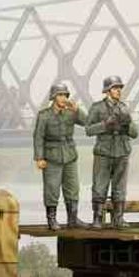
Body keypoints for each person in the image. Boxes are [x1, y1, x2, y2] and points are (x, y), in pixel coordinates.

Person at [33, 82, 88, 230]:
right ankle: (52, 220)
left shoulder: (70, 112)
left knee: (73, 188)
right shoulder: (44, 115)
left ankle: (73, 219)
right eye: (60, 95)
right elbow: (38, 137)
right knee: (52, 188)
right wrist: (39, 158)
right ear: (53, 97)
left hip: (69, 155)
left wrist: (77, 110)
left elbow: (87, 122)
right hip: (52, 156)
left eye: (65, 95)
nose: (64, 98)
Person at [85, 75, 137, 229]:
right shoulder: (97, 108)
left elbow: (135, 133)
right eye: (115, 88)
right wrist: (105, 125)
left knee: (120, 187)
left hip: (122, 151)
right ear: (107, 91)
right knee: (99, 186)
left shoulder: (124, 108)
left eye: (120, 88)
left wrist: (127, 125)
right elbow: (88, 130)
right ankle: (97, 219)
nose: (119, 90)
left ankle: (118, 219)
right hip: (104, 152)